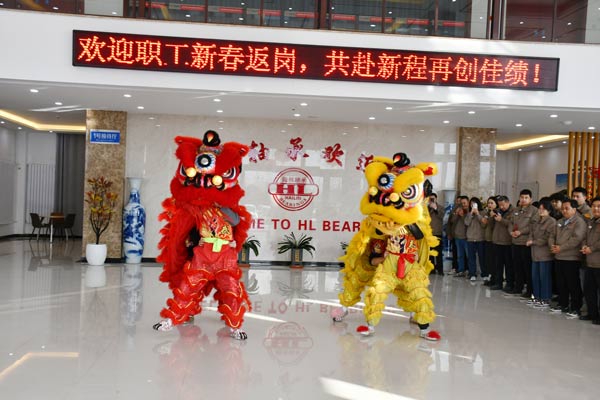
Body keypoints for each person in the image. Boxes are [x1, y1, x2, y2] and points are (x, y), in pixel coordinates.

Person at [549, 199, 586, 318]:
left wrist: (561, 248)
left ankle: (576, 307)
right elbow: (551, 235)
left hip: (571, 257)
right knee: (561, 282)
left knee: (573, 284)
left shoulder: (579, 222)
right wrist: (552, 246)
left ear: (574, 209)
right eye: (563, 209)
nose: (564, 211)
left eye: (567, 208)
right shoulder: (560, 221)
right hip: (558, 256)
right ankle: (562, 304)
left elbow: (576, 239)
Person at [507, 189, 538, 297]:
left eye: (526, 198)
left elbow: (533, 226)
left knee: (527, 268)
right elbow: (510, 223)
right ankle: (518, 287)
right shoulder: (516, 210)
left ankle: (530, 290)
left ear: (530, 199)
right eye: (522, 197)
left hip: (526, 243)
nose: (523, 199)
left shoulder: (534, 210)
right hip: (515, 242)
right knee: (517, 266)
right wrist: (511, 232)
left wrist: (521, 232)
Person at [526, 199, 556, 308]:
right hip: (535, 253)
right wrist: (530, 239)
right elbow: (531, 233)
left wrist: (533, 242)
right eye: (540, 208)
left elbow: (547, 238)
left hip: (545, 254)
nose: (541, 211)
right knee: (535, 277)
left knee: (544, 277)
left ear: (549, 210)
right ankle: (536, 297)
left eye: (544, 209)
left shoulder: (551, 222)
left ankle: (545, 298)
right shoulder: (536, 220)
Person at [579, 196, 600, 325]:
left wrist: (591, 248)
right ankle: (592, 313)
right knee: (589, 290)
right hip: (589, 262)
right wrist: (584, 246)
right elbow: (584, 237)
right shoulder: (591, 222)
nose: (596, 209)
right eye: (594, 206)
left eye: (599, 206)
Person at [491, 196, 515, 291]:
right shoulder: (497, 211)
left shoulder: (513, 211)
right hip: (497, 241)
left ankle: (509, 284)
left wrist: (501, 220)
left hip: (507, 241)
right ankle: (498, 283)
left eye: (503, 205)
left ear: (508, 202)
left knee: (509, 265)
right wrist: (492, 217)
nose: (501, 207)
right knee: (498, 264)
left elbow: (512, 224)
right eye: (499, 205)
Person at [464, 197, 486, 281]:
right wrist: (471, 214)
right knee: (471, 258)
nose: (472, 205)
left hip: (480, 238)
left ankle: (484, 273)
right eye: (471, 204)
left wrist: (477, 214)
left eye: (474, 204)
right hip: (470, 239)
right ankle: (472, 274)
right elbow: (466, 223)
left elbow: (484, 224)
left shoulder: (483, 212)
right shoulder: (468, 214)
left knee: (482, 257)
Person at [448, 196, 469, 277]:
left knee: (468, 256)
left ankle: (469, 271)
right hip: (457, 236)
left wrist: (462, 215)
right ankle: (461, 270)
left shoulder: (469, 211)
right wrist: (456, 214)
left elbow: (467, 223)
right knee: (460, 256)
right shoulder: (456, 209)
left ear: (468, 202)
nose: (463, 205)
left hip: (466, 237)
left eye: (464, 203)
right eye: (461, 203)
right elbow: (452, 221)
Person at [482, 196, 498, 286]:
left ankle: (495, 279)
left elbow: (492, 226)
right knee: (488, 261)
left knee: (494, 261)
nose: (490, 205)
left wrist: (491, 217)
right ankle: (490, 277)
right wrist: (484, 220)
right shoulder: (487, 213)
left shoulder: (496, 214)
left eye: (492, 203)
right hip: (487, 239)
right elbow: (483, 226)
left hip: (494, 240)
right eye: (489, 203)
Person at [428, 193, 444, 275]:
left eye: (433, 198)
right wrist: (430, 208)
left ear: (436, 199)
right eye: (430, 199)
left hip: (438, 233)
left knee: (438, 253)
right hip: (429, 234)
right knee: (430, 253)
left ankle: (440, 269)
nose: (432, 200)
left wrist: (435, 208)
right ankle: (431, 269)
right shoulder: (427, 208)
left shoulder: (441, 207)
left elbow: (442, 216)